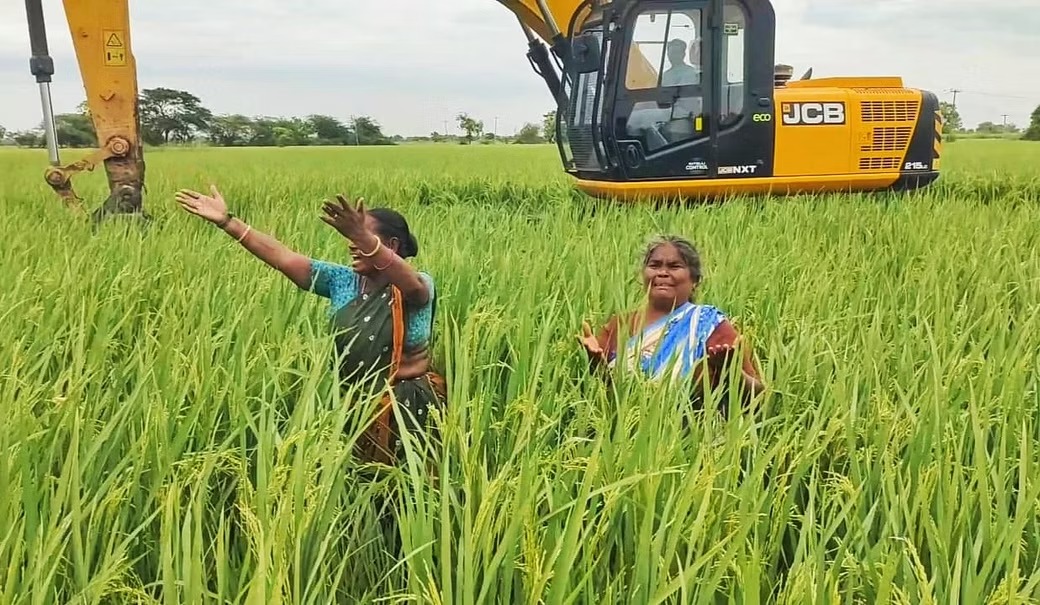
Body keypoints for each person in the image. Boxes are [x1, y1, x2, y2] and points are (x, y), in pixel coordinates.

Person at [175, 185, 444, 464]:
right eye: (352, 237)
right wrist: (228, 222)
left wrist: (363, 237)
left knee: (411, 490)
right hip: (355, 406)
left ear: (391, 246)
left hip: (408, 406)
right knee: (361, 485)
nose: (352, 243)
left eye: (361, 237)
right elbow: (282, 256)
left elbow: (411, 284)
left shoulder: (418, 285)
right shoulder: (342, 281)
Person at [578, 235, 763, 415]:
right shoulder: (621, 324)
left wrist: (731, 372)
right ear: (643, 275)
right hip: (622, 434)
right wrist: (596, 365)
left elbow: (758, 398)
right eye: (654, 265)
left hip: (688, 438)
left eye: (675, 266)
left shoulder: (709, 325)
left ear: (695, 280)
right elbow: (602, 395)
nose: (662, 272)